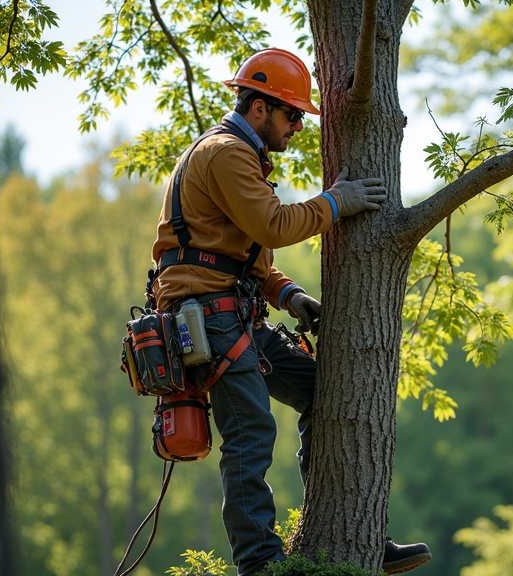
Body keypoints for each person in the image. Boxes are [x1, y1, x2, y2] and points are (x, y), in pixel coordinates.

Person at [149, 48, 432, 576]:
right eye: (292, 113)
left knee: (328, 393)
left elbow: (242, 258)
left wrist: (289, 296)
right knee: (251, 434)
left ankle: (353, 535)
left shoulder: (237, 156)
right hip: (209, 321)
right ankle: (260, 565)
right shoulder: (228, 153)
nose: (299, 126)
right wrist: (335, 202)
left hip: (232, 315)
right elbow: (274, 226)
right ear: (258, 108)